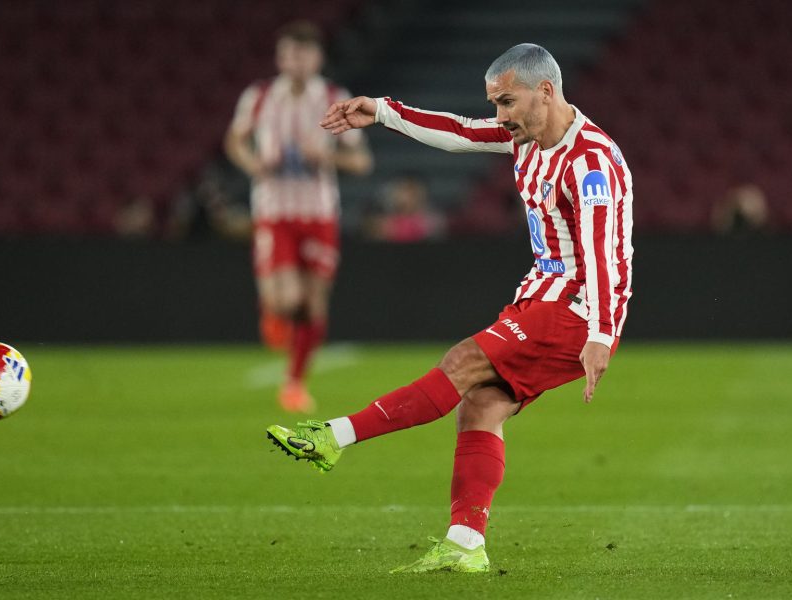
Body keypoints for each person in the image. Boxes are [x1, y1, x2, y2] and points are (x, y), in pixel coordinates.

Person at [266, 43, 633, 573]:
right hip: (541, 297)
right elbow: (460, 132)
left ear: (546, 92)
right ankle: (466, 544)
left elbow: (605, 256)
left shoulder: (591, 161)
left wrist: (601, 331)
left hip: (579, 308)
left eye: (507, 102)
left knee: (462, 361)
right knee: (480, 406)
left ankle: (332, 437)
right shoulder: (526, 137)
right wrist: (382, 111)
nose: (499, 116)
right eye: (496, 104)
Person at [225, 21, 373, 413]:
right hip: (275, 213)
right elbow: (235, 140)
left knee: (313, 304)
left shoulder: (333, 97)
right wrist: (254, 165)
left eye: (303, 54)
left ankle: (293, 384)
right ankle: (273, 311)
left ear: (317, 58)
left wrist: (328, 157)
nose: (296, 61)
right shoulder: (258, 97)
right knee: (288, 299)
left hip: (319, 214)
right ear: (279, 58)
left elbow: (361, 161)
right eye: (289, 54)